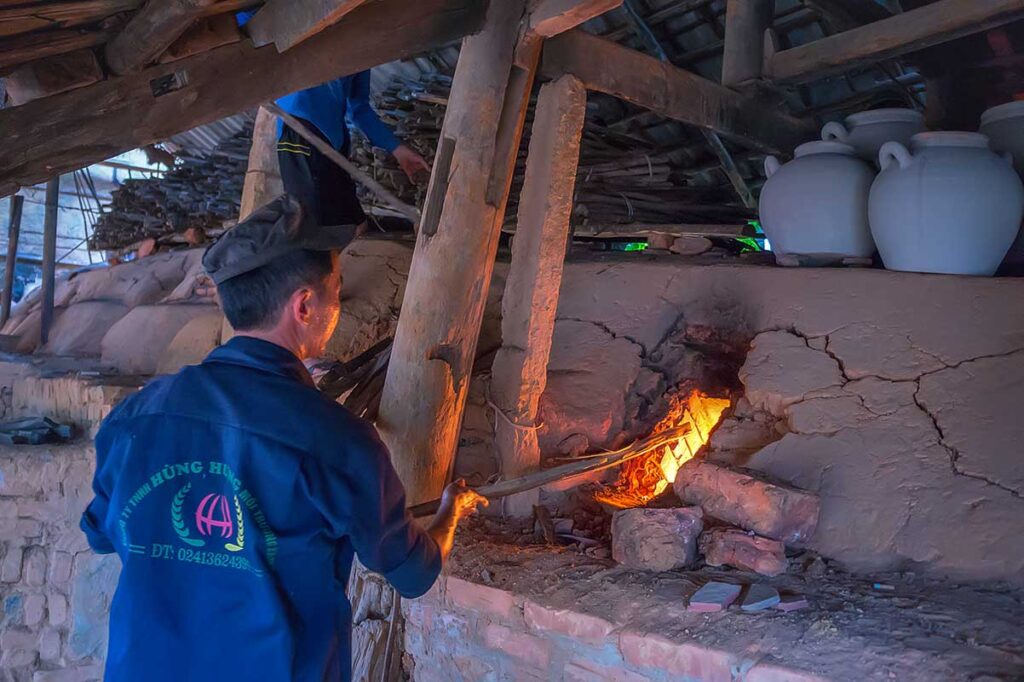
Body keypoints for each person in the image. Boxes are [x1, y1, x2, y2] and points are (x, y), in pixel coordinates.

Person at [80, 195, 486, 682]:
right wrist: (449, 512)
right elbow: (413, 573)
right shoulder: (336, 441)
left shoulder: (133, 419)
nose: (337, 305)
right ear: (305, 305)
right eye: (337, 291)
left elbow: (101, 533)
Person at [237, 11, 430, 235]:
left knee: (356, 225)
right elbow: (252, 20)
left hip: (335, 143)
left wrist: (397, 149)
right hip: (301, 137)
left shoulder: (362, 49)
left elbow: (359, 110)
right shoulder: (304, 19)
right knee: (317, 229)